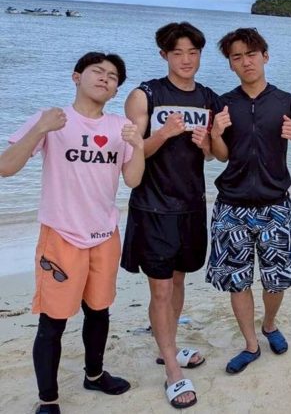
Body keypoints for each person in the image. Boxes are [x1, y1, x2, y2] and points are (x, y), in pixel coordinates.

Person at [0, 52, 144, 414]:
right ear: (76, 76)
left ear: (116, 90)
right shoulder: (52, 120)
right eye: (98, 71)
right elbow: (6, 167)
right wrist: (40, 129)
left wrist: (139, 146)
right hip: (61, 235)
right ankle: (48, 400)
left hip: (105, 235)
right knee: (53, 321)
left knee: (99, 311)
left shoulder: (120, 127)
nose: (105, 78)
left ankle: (94, 375)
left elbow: (132, 179)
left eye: (113, 76)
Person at [120, 22, 221, 409]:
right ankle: (173, 372)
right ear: (164, 55)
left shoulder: (208, 98)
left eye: (192, 52)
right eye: (177, 53)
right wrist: (163, 133)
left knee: (178, 282)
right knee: (160, 289)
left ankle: (169, 347)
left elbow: (214, 155)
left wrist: (207, 143)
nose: (186, 60)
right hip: (153, 207)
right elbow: (131, 154)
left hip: (191, 205)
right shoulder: (145, 94)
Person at [207, 28, 291, 374]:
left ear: (265, 57)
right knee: (237, 280)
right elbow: (221, 156)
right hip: (232, 205)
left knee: (276, 278)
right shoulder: (224, 103)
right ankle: (251, 344)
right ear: (230, 64)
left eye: (251, 54)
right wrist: (215, 133)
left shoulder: (286, 101)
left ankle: (269, 324)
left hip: (274, 204)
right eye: (237, 57)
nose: (246, 62)